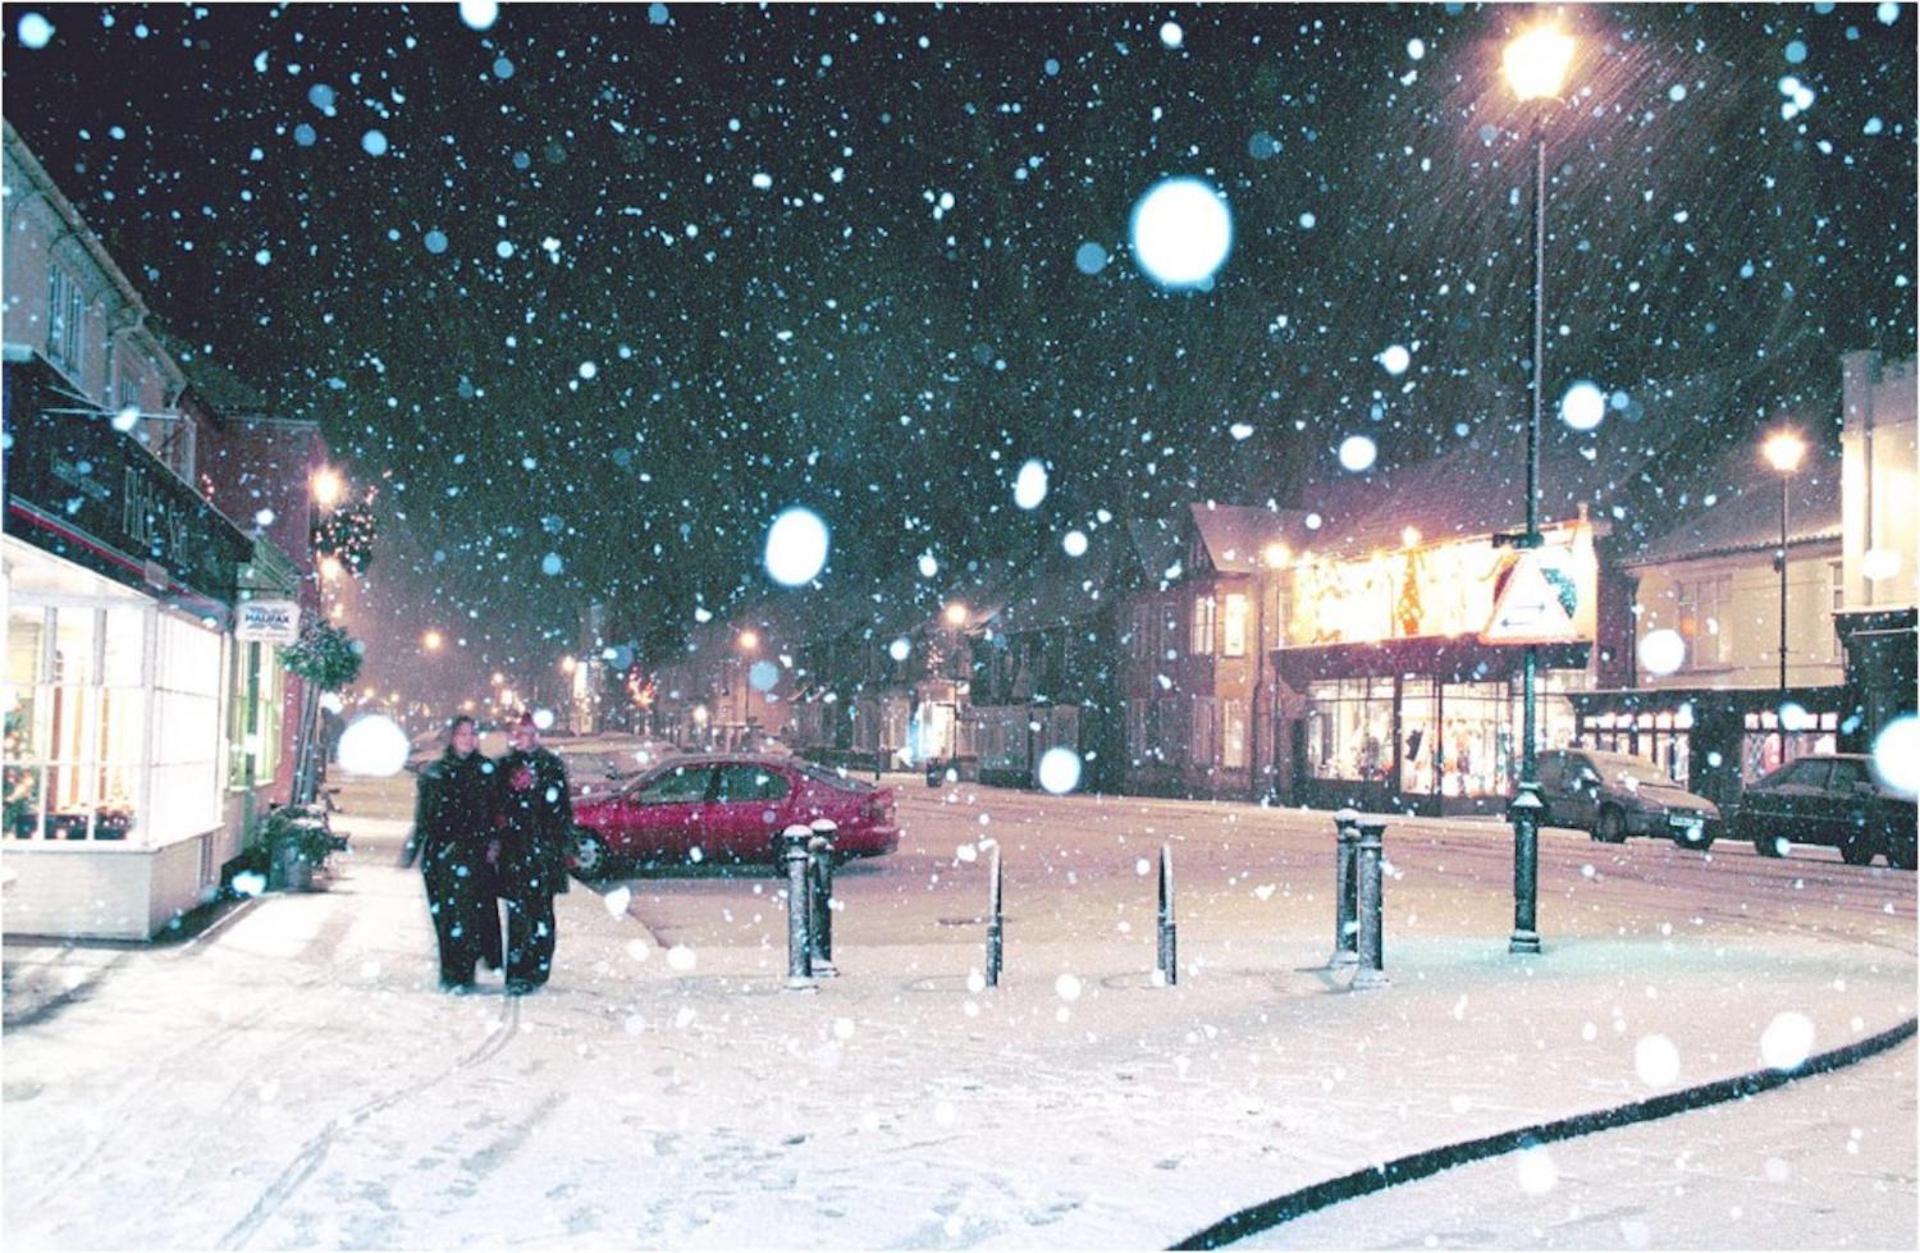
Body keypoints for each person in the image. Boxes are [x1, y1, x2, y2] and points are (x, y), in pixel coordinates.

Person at [402, 715, 504, 992]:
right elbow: (424, 815)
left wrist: (495, 843)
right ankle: (451, 971)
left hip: (475, 853)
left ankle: (465, 970)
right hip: (441, 854)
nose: (468, 740)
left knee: (471, 915)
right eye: (462, 734)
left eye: (472, 734)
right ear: (452, 737)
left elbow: (497, 812)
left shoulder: (486, 771)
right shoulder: (435, 772)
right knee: (446, 915)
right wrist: (413, 849)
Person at [494, 711, 573, 995]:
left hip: (543, 851)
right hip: (514, 851)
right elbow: (494, 804)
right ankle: (517, 973)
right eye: (516, 732)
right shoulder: (503, 767)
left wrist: (563, 846)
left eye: (526, 732)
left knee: (541, 913)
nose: (520, 738)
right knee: (517, 916)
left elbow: (561, 810)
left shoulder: (551, 766)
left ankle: (538, 967)